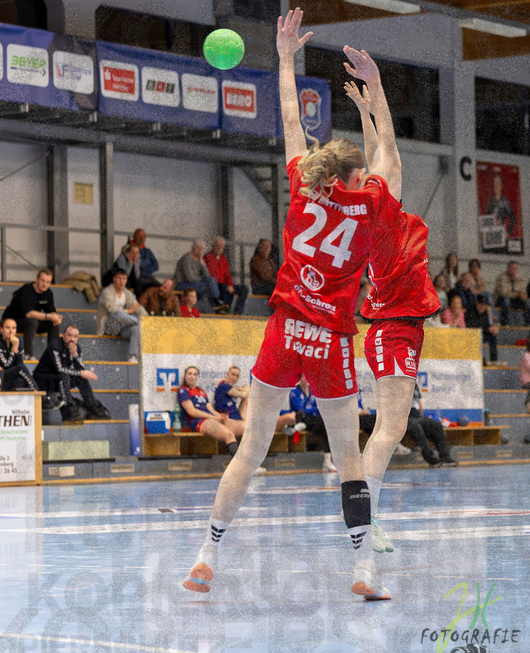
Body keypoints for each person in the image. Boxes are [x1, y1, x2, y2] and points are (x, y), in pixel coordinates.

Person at [183, 11, 399, 602]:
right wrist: (375, 96)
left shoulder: (305, 192)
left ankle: (206, 558)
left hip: (283, 332)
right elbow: (390, 161)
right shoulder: (367, 205)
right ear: (351, 181)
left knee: (252, 449)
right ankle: (364, 571)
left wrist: (283, 59)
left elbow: (289, 123)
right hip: (328, 340)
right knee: (348, 459)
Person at [344, 72, 439, 551]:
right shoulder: (385, 217)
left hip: (402, 328)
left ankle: (365, 516)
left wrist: (365, 112)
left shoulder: (380, 212)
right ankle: (365, 519)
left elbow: (377, 153)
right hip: (393, 330)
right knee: (391, 428)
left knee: (392, 426)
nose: (374, 170)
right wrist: (378, 88)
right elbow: (391, 151)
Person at [33, 324, 110, 422]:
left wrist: (75, 356)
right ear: (64, 335)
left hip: (59, 380)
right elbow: (60, 369)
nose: (72, 339)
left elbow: (80, 369)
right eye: (69, 335)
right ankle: (68, 409)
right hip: (43, 381)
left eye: (75, 336)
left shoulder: (76, 348)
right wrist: (81, 372)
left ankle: (92, 407)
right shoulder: (55, 346)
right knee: (65, 375)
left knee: (80, 378)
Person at [2, 268, 62, 360]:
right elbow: (29, 314)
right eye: (42, 280)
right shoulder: (27, 290)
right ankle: (28, 355)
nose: (45, 284)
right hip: (12, 321)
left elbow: (51, 311)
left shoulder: (48, 293)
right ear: (36, 279)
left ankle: (53, 356)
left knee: (53, 324)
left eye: (48, 282)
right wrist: (48, 316)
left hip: (32, 322)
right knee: (32, 322)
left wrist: (55, 317)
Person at [178, 366, 240, 452]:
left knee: (244, 428)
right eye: (190, 374)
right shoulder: (183, 391)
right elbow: (192, 411)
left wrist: (221, 416)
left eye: (195, 374)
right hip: (197, 422)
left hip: (210, 419)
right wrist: (214, 418)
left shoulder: (201, 391)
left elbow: (210, 409)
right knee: (229, 435)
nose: (192, 376)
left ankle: (251, 462)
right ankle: (239, 465)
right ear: (185, 376)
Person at [97, 270, 147, 364]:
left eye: (124, 278)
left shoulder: (127, 293)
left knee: (135, 329)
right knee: (118, 314)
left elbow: (138, 307)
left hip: (123, 327)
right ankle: (139, 322)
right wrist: (128, 311)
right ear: (114, 279)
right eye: (119, 278)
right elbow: (112, 310)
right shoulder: (107, 292)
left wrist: (147, 319)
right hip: (109, 327)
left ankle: (132, 356)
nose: (122, 281)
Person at [405, 383, 456, 467]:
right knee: (416, 428)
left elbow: (419, 402)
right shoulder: (395, 384)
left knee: (436, 425)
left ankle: (445, 457)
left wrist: (421, 417)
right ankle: (431, 458)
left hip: (416, 416)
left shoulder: (413, 384)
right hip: (404, 418)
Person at [0, 318, 37, 391]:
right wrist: (14, 349)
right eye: (8, 328)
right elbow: (7, 365)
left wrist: (16, 349)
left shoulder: (18, 342)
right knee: (19, 369)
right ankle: (37, 391)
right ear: (1, 329)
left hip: (9, 375)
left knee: (20, 382)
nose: (11, 331)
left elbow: (20, 363)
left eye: (14, 328)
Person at [173, 241, 222, 313]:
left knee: (211, 280)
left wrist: (202, 263)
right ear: (194, 248)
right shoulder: (186, 259)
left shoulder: (200, 259)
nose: (201, 251)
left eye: (202, 249)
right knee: (206, 286)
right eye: (200, 249)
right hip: (183, 284)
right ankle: (215, 302)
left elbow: (207, 275)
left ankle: (215, 301)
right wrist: (202, 280)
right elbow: (190, 278)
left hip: (195, 284)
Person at [205, 237, 249, 315]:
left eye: (221, 246)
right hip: (216, 285)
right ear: (213, 246)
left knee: (244, 289)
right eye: (217, 245)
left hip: (224, 284)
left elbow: (227, 274)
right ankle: (223, 309)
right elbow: (211, 274)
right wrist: (227, 285)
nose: (219, 248)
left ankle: (237, 312)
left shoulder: (223, 258)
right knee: (224, 288)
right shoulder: (207, 257)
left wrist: (230, 285)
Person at [493, 261, 530, 326]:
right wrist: (517, 294)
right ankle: (505, 323)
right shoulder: (501, 278)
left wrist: (523, 295)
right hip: (501, 299)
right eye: (512, 268)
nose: (513, 270)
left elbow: (523, 290)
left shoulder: (521, 278)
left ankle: (528, 324)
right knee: (506, 300)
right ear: (508, 269)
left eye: (515, 269)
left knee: (527, 303)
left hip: (515, 299)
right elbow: (503, 292)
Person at [465, 294, 499, 365]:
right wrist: (487, 329)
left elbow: (487, 325)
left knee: (493, 336)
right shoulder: (470, 311)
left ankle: (494, 360)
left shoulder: (485, 312)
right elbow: (472, 327)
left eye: (484, 305)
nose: (482, 307)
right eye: (480, 304)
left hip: (482, 333)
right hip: (471, 335)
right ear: (476, 303)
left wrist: (492, 328)